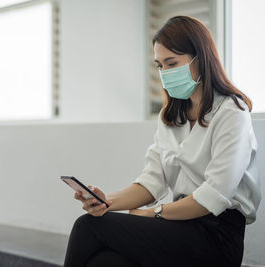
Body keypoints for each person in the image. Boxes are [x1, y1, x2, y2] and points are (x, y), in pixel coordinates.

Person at [63, 15, 261, 267]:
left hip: (217, 236)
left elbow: (214, 196)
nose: (164, 74)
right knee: (105, 262)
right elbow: (151, 182)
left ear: (201, 59)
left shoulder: (232, 112)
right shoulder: (171, 117)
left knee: (88, 227)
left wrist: (152, 214)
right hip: (178, 227)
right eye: (159, 65)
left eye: (172, 63)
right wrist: (105, 202)